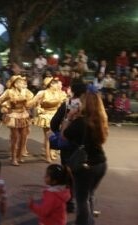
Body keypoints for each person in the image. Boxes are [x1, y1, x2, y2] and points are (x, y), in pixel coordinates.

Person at [61, 84, 108, 225]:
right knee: (90, 194)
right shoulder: (101, 119)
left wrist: (68, 118)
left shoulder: (80, 122)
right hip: (101, 162)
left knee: (82, 199)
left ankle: (84, 222)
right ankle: (90, 221)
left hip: (86, 165)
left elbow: (64, 136)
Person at [50, 81, 87, 213]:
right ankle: (82, 201)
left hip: (66, 143)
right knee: (80, 172)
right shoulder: (87, 106)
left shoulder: (66, 104)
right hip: (82, 144)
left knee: (67, 171)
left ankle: (68, 201)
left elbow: (53, 123)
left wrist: (59, 132)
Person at [0, 75, 33, 166]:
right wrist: (4, 108)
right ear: (15, 84)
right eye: (20, 82)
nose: (22, 84)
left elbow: (32, 100)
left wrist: (30, 104)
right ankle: (13, 158)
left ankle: (19, 156)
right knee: (15, 137)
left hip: (24, 114)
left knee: (24, 136)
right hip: (13, 115)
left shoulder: (26, 91)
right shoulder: (9, 92)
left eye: (22, 82)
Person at [31, 77, 66, 163]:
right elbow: (34, 103)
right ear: (50, 84)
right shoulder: (43, 93)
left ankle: (51, 152)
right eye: (55, 83)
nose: (57, 85)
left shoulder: (59, 93)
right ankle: (47, 155)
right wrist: (39, 110)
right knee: (48, 136)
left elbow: (62, 104)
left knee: (54, 134)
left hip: (56, 116)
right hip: (46, 116)